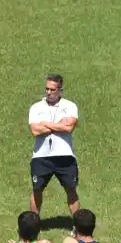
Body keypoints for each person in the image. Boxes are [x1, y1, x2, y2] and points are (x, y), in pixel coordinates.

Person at [28, 75, 80, 218]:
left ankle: (77, 225)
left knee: (71, 189)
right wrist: (59, 125)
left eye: (52, 89)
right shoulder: (36, 107)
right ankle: (34, 223)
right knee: (37, 189)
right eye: (47, 89)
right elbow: (35, 131)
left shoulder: (70, 106)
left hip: (65, 155)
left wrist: (45, 123)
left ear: (60, 90)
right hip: (41, 156)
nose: (49, 92)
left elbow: (69, 128)